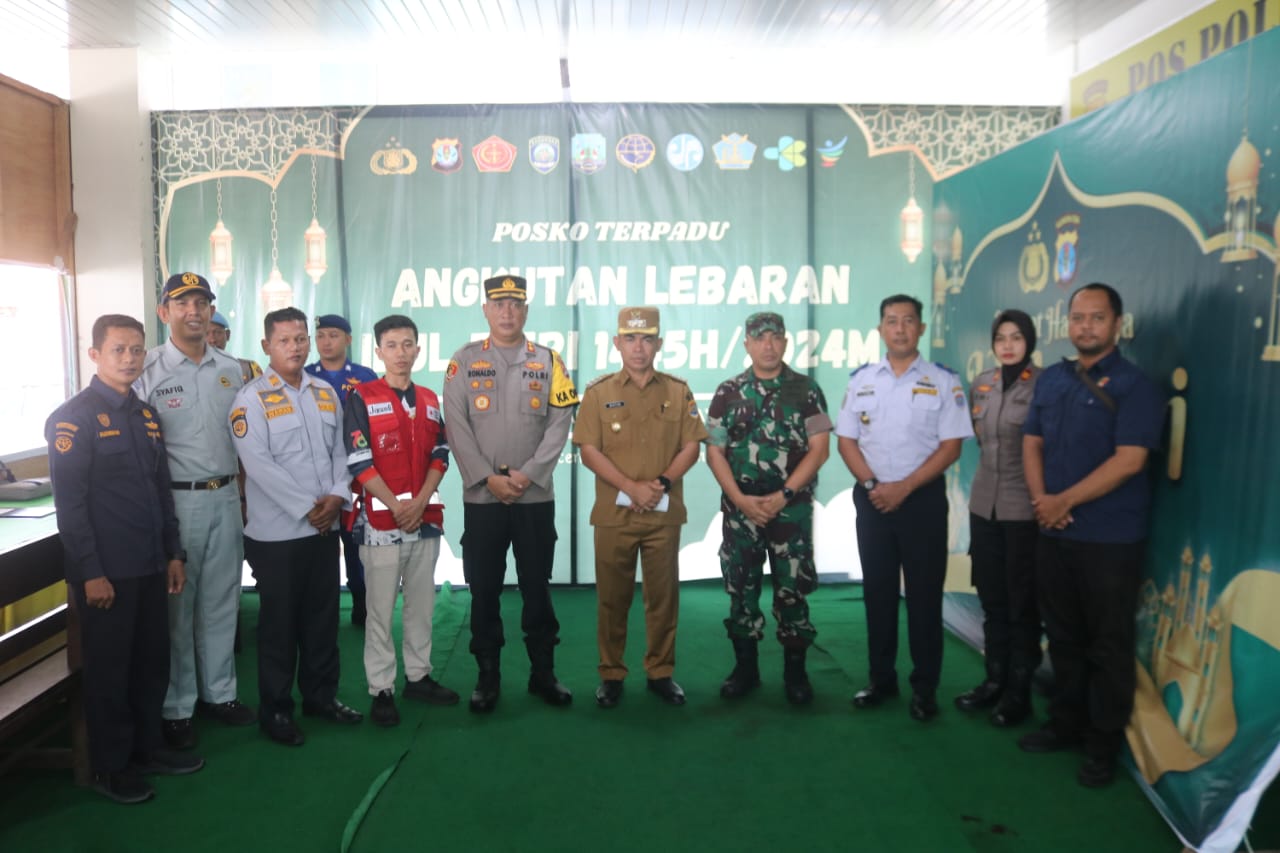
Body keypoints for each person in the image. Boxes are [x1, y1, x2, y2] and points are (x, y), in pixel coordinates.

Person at [46, 314, 204, 804]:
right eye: (119, 349)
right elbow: (70, 508)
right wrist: (91, 572)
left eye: (137, 350)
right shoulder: (72, 420)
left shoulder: (146, 414)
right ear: (94, 354)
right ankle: (110, 767)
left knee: (151, 662)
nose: (130, 358)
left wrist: (173, 553)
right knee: (110, 671)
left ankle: (147, 749)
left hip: (151, 564)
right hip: (107, 572)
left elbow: (160, 493)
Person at [1017, 282, 1163, 788]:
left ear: (1117, 324)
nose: (1086, 327)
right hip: (1053, 531)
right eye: (1078, 317)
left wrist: (1064, 502)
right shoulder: (1053, 379)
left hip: (1109, 540)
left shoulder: (1134, 386)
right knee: (1062, 636)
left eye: (1097, 318)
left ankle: (1102, 745)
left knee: (1107, 644)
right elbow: (1031, 443)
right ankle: (1065, 724)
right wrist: (1043, 500)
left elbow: (1130, 460)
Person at [442, 274, 577, 712]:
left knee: (537, 586)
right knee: (484, 589)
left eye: (515, 304)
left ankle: (543, 673)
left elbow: (560, 423)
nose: (507, 312)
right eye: (498, 304)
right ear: (485, 310)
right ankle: (488, 676)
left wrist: (528, 475)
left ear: (526, 310)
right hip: (484, 500)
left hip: (533, 498)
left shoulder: (549, 361)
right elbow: (456, 426)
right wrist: (487, 478)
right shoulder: (463, 362)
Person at [836, 294, 974, 721]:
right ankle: (881, 680)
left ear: (921, 329)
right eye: (892, 321)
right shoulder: (861, 380)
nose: (900, 328)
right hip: (873, 500)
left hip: (922, 502)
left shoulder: (943, 381)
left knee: (924, 597)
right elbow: (846, 441)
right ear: (880, 329)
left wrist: (905, 487)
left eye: (908, 320)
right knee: (877, 594)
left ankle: (924, 688)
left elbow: (951, 447)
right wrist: (874, 485)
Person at [231, 307, 364, 746]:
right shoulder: (250, 399)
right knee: (280, 627)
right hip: (277, 536)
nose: (295, 347)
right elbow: (258, 465)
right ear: (266, 346)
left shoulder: (325, 392)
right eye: (284, 340)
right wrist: (309, 508)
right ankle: (276, 710)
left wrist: (337, 496)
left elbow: (341, 452)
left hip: (323, 529)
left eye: (301, 338)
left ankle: (321, 698)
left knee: (322, 619)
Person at [135, 273, 257, 752]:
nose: (194, 311)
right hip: (176, 502)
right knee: (178, 609)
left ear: (210, 311)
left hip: (225, 495)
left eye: (202, 302)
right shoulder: (148, 371)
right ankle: (178, 707)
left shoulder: (234, 370)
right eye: (183, 302)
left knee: (223, 599)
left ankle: (220, 694)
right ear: (164, 312)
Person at [573, 307, 708, 708]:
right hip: (614, 516)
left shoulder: (678, 391)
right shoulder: (598, 393)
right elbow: (588, 450)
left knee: (663, 598)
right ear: (617, 343)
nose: (638, 347)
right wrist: (631, 487)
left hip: (662, 514)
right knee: (612, 599)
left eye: (647, 339)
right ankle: (611, 674)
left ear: (659, 344)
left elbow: (692, 446)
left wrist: (660, 484)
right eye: (630, 339)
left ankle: (660, 672)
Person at [704, 311, 831, 705]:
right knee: (741, 588)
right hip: (741, 509)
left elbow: (820, 450)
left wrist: (785, 495)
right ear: (747, 344)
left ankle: (796, 673)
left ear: (786, 342)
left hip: (790, 510)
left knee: (792, 591)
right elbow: (714, 452)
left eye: (775, 337)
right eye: (760, 338)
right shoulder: (728, 392)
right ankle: (746, 670)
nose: (768, 345)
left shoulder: (806, 390)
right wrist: (740, 499)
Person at [343, 314, 460, 726]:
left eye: (408, 344)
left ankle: (418, 676)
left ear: (418, 349)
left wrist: (420, 502)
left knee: (421, 605)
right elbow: (358, 460)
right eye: (391, 345)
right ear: (378, 351)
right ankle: (381, 688)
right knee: (379, 611)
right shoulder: (361, 397)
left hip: (425, 519)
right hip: (380, 522)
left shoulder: (429, 399)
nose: (400, 352)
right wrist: (396, 505)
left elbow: (440, 454)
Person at [956, 309, 1042, 727]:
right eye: (1001, 338)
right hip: (983, 507)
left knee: (1022, 604)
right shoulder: (982, 383)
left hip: (1024, 510)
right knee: (992, 600)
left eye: (1016, 338)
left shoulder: (1044, 385)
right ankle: (994, 681)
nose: (1008, 346)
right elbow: (979, 438)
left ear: (1030, 342)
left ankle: (1018, 694)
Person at [305, 314, 378, 627]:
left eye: (333, 335)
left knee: (355, 543)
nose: (326, 342)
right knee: (318, 545)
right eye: (321, 336)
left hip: (357, 474)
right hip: (315, 474)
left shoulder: (365, 376)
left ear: (348, 339)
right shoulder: (306, 375)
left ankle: (362, 603)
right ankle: (322, 612)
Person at [208, 310, 263, 382]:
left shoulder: (248, 370)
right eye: (206, 334)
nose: (212, 340)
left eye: (218, 333)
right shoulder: (193, 371)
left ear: (227, 335)